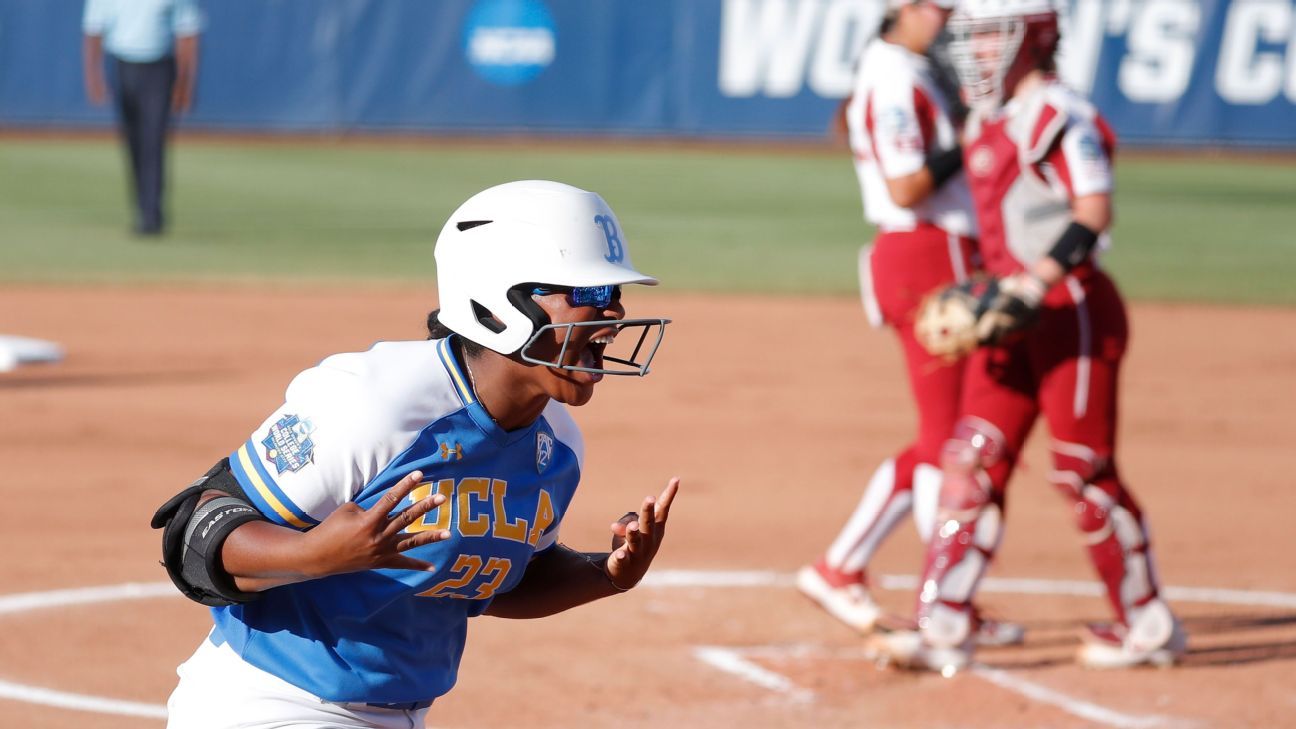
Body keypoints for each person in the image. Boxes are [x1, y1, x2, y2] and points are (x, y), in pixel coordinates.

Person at [153, 180, 680, 728]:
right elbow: (195, 533)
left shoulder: (558, 445)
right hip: (271, 704)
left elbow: (500, 581)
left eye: (615, 296)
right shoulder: (375, 403)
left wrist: (607, 573)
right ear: (502, 302)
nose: (613, 316)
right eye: (590, 295)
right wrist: (312, 555)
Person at [872, 0, 1185, 672]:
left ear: (1033, 38)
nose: (978, 53)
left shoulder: (1057, 112)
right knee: (970, 460)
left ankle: (1148, 621)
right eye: (973, 40)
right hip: (1011, 317)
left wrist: (1035, 281)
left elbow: (1093, 211)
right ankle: (943, 623)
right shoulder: (992, 117)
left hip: (1070, 311)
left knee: (1082, 469)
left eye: (992, 39)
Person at [795, 0, 1021, 647]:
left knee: (941, 438)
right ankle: (941, 598)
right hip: (927, 254)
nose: (946, 16)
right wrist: (975, 134)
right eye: (936, 5)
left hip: (937, 253)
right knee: (950, 441)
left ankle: (846, 568)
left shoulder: (909, 68)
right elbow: (905, 186)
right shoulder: (893, 75)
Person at [83, 0, 203, 236]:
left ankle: (151, 214)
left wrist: (185, 83)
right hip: (122, 63)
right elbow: (93, 32)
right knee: (134, 141)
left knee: (154, 140)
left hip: (159, 67)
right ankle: (141, 206)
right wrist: (94, 78)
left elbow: (188, 34)